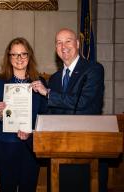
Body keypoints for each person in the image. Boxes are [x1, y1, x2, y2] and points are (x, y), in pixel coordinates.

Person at [33, 28, 106, 192]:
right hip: (58, 151)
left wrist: (48, 93)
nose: (63, 46)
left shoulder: (93, 69)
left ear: (78, 44)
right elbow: (49, 112)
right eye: (59, 42)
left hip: (86, 149)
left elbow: (82, 103)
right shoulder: (54, 78)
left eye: (68, 41)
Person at [0, 37, 47, 192]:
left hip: (30, 146)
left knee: (29, 187)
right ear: (9, 57)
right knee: (7, 187)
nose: (19, 58)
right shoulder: (0, 82)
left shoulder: (39, 82)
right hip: (6, 145)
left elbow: (45, 115)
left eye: (23, 54)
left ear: (29, 56)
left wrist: (31, 133)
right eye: (14, 54)